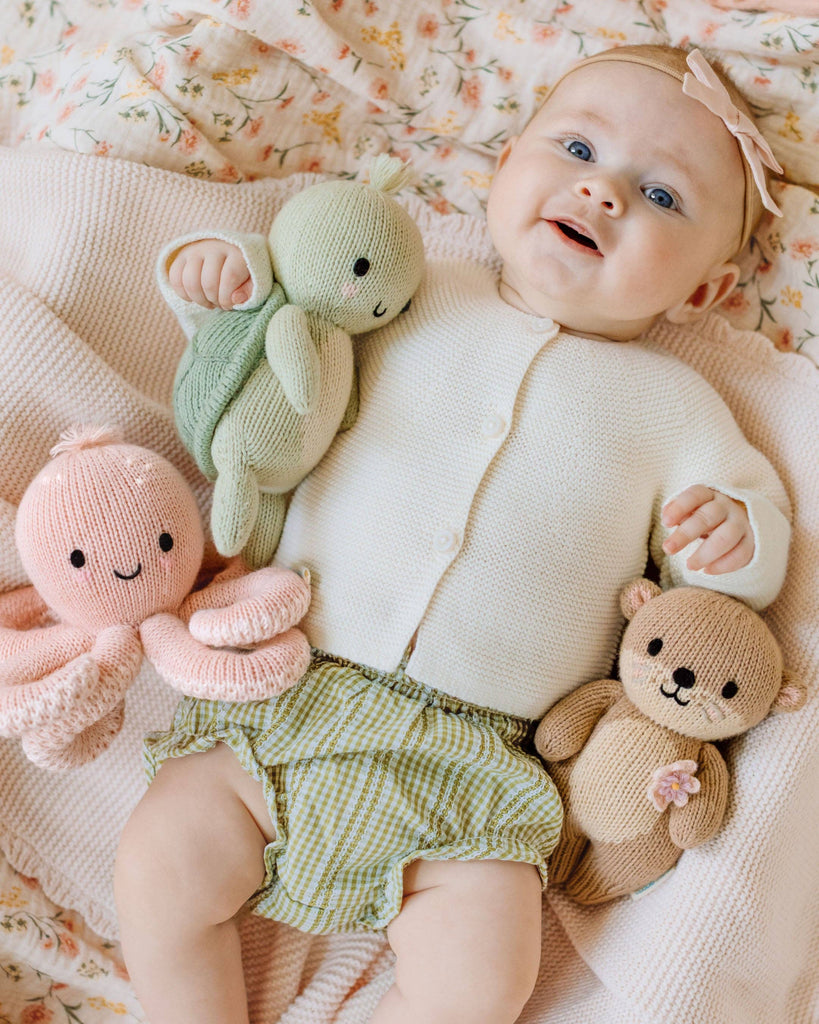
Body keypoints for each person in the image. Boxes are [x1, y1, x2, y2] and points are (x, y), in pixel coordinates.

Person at [114, 46, 792, 1024]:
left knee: (483, 980)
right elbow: (290, 334)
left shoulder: (675, 407)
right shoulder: (413, 291)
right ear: (504, 165)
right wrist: (227, 288)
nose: (602, 191)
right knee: (161, 858)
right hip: (292, 687)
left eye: (660, 194)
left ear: (701, 296)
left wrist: (734, 536)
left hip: (477, 760)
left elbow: (743, 541)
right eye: (575, 147)